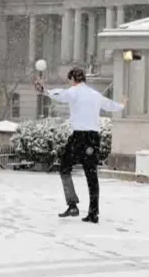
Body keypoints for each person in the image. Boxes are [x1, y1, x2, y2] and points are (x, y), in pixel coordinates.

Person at [36, 67, 127, 224]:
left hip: (79, 137)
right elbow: (110, 105)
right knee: (92, 176)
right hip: (93, 138)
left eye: (69, 80)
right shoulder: (95, 95)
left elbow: (60, 95)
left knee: (64, 167)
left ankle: (72, 204)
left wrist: (44, 90)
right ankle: (94, 213)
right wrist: (123, 104)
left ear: (72, 79)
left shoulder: (74, 92)